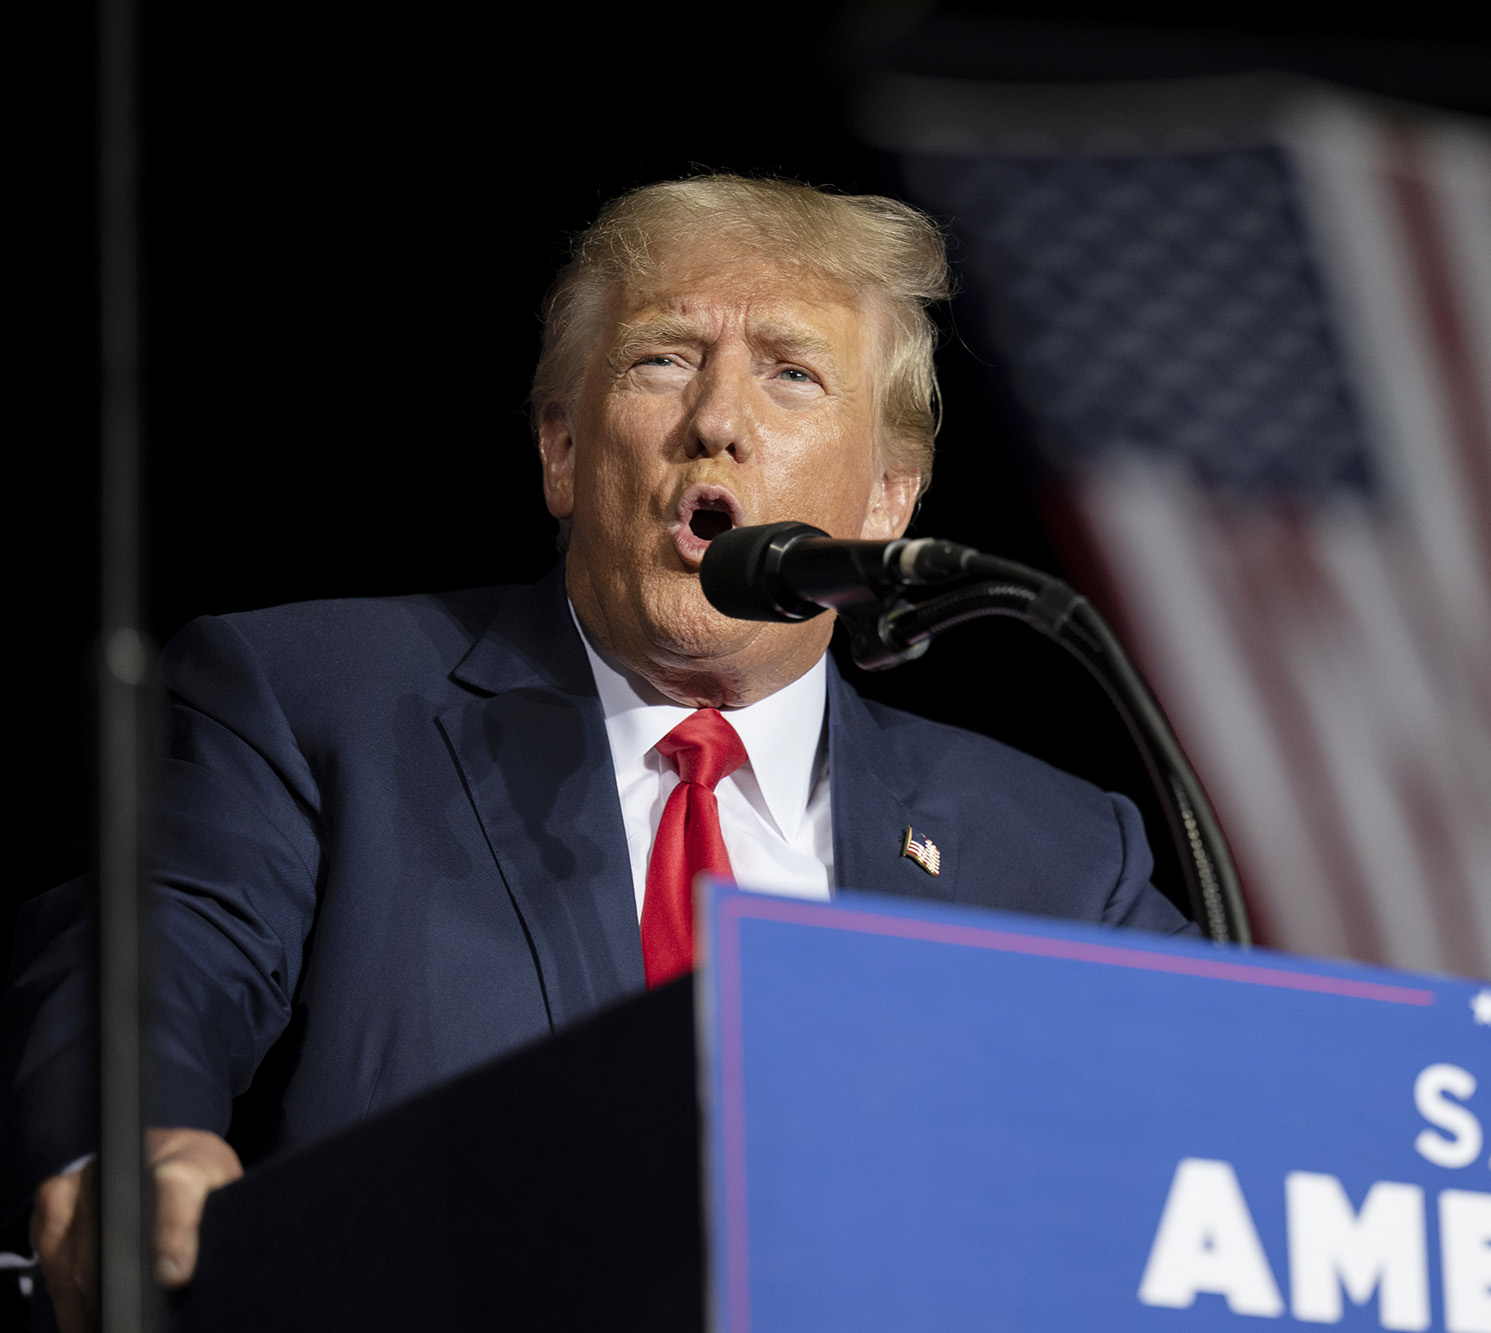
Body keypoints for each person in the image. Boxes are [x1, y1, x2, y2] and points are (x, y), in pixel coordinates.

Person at [0, 174, 1194, 1327]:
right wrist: (135, 1147)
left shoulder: (1055, 856)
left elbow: (1245, 1121)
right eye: (662, 359)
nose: (715, 423)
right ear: (561, 451)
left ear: (887, 498)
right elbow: (151, 966)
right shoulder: (318, 704)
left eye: (790, 374)